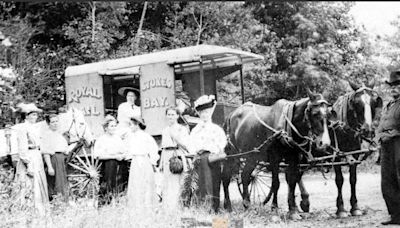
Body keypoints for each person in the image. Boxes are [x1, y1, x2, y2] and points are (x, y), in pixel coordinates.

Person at [171, 94, 227, 213]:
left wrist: (214, 150)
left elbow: (222, 143)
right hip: (199, 159)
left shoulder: (216, 129)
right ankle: (202, 208)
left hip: (213, 159)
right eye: (202, 113)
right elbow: (191, 145)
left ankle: (214, 208)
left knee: (213, 183)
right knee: (200, 184)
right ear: (199, 115)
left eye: (206, 112)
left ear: (210, 113)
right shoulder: (196, 130)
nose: (204, 115)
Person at [12, 103, 49, 215]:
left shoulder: (35, 127)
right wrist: (28, 164)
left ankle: (40, 210)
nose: (35, 117)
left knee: (39, 181)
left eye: (36, 115)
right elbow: (22, 148)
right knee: (28, 183)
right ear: (26, 116)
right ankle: (27, 210)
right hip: (29, 156)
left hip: (36, 155)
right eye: (32, 115)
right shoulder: (23, 128)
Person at [376, 70, 400, 225]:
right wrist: (379, 135)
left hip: (398, 144)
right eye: (392, 85)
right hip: (386, 145)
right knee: (387, 180)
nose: (394, 88)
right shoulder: (389, 104)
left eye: (397, 85)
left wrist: (392, 133)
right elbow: (382, 123)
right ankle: (395, 215)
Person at [124, 115, 159, 212]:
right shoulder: (131, 137)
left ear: (137, 125)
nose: (130, 127)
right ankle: (136, 206)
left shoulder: (145, 136)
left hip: (144, 160)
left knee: (146, 182)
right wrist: (127, 156)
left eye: (131, 125)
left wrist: (152, 161)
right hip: (135, 161)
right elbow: (127, 149)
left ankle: (148, 206)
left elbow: (153, 149)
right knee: (136, 183)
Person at [160, 106, 190, 210]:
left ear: (177, 116)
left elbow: (186, 145)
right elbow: (163, 147)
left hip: (177, 154)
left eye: (173, 114)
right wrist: (161, 163)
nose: (170, 117)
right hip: (166, 155)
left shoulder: (182, 129)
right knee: (167, 181)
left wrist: (175, 137)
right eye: (168, 114)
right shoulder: (164, 130)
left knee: (178, 180)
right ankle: (168, 207)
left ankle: (178, 206)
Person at [93, 116, 126, 204]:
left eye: (115, 126)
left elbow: (124, 151)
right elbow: (97, 155)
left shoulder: (118, 138)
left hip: (119, 165)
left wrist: (122, 156)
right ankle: (104, 205)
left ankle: (118, 204)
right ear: (106, 128)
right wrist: (114, 156)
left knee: (119, 185)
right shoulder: (101, 139)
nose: (113, 128)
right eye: (111, 126)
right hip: (108, 165)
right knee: (107, 185)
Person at [41, 113, 70, 202]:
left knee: (61, 182)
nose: (55, 123)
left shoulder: (59, 135)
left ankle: (62, 202)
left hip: (61, 159)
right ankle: (54, 203)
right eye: (53, 122)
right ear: (48, 124)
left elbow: (65, 149)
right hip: (53, 160)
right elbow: (45, 152)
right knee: (54, 182)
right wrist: (49, 167)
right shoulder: (47, 135)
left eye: (57, 121)